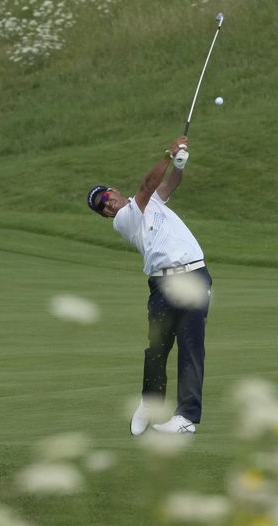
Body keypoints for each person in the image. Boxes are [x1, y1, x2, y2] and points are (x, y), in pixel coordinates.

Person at [87, 135, 211, 435]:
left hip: (194, 273)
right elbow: (147, 187)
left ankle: (186, 419)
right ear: (106, 215)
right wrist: (168, 154)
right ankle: (150, 403)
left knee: (191, 348)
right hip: (162, 284)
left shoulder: (153, 202)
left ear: (114, 190)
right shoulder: (125, 220)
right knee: (157, 348)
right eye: (102, 207)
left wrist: (180, 162)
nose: (107, 204)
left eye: (106, 196)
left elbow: (168, 185)